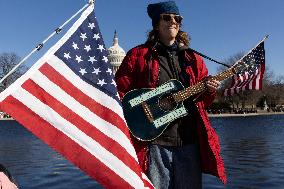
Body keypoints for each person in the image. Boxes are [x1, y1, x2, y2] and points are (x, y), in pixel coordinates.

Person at [115, 1, 226, 188]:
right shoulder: (138, 55)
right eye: (167, 17)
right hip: (155, 142)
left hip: (189, 141)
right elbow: (120, 92)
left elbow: (203, 102)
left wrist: (209, 89)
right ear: (157, 24)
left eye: (177, 19)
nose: (173, 21)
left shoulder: (193, 59)